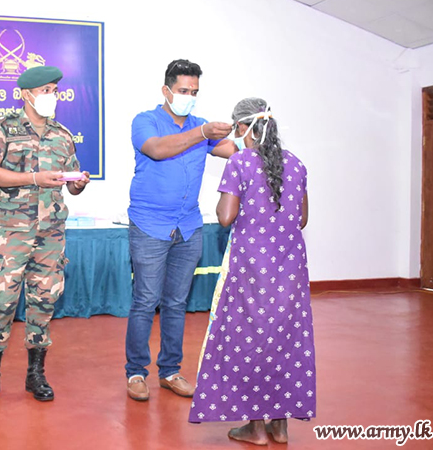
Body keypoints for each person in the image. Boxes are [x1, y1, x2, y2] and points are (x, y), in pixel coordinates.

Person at [189, 98, 315, 445]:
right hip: (289, 268)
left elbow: (225, 217)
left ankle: (256, 427)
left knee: (250, 339)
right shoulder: (296, 163)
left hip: (251, 267)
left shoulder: (240, 162)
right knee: (285, 339)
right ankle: (280, 426)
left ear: (243, 128)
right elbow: (302, 218)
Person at [0, 66, 90, 404]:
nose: (53, 96)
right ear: (26, 94)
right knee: (1, 301)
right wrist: (34, 179)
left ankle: (36, 374)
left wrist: (78, 183)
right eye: (46, 90)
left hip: (51, 233)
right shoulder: (3, 128)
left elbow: (69, 182)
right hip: (13, 233)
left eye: (55, 90)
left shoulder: (62, 134)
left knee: (44, 301)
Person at [125, 59, 237, 401]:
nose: (189, 97)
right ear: (167, 90)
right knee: (146, 301)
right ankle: (136, 373)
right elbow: (157, 150)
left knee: (176, 303)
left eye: (194, 92)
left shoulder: (201, 126)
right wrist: (202, 134)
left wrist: (258, 136)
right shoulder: (146, 121)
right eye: (184, 90)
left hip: (188, 227)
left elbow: (234, 152)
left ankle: (170, 371)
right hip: (150, 225)